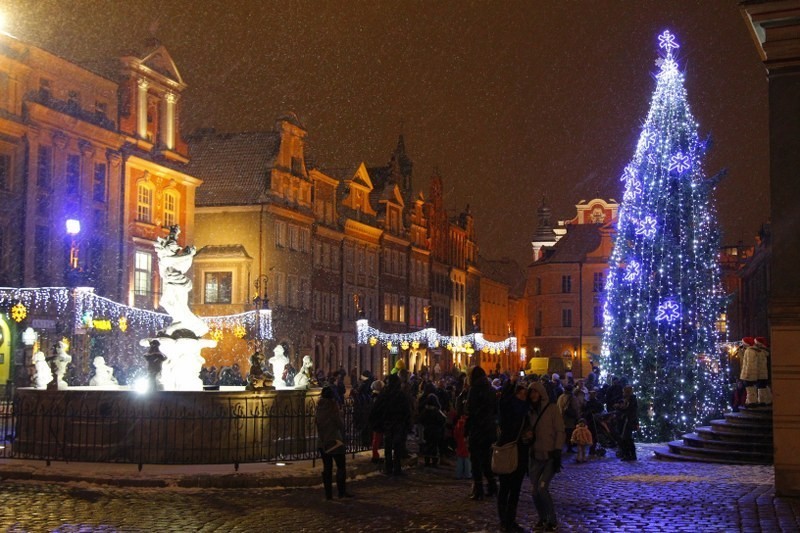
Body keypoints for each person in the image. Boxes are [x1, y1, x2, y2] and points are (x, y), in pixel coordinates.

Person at [528, 380, 565, 532]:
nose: (533, 395)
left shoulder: (552, 409)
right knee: (534, 491)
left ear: (541, 393)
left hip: (550, 455)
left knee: (542, 488)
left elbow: (560, 430)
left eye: (536, 391)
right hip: (535, 456)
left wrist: (557, 449)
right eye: (531, 392)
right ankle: (542, 518)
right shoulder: (530, 411)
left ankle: (552, 520)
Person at [496, 375, 531, 532]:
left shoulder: (526, 411)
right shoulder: (508, 409)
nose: (523, 397)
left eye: (525, 394)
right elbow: (504, 400)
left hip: (520, 452)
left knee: (515, 489)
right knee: (505, 487)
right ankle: (504, 519)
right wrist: (510, 383)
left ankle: (510, 519)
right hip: (507, 449)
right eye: (520, 394)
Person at [465, 366, 498, 500]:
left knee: (475, 461)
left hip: (477, 429)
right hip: (489, 429)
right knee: (486, 459)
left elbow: (470, 410)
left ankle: (478, 490)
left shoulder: (474, 390)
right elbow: (495, 409)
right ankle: (492, 486)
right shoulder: (490, 389)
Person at [315, 386, 352, 500]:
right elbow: (340, 424)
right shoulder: (332, 407)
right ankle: (341, 492)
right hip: (335, 441)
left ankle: (328, 494)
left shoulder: (318, 408)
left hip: (322, 442)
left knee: (327, 468)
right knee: (341, 466)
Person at [371, 373, 411, 476]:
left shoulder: (385, 394)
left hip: (388, 423)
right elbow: (407, 410)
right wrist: (407, 423)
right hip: (398, 423)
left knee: (388, 446)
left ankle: (389, 467)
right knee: (397, 446)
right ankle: (397, 468)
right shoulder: (401, 395)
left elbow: (377, 409)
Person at [419, 393, 447, 467]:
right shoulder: (436, 411)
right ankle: (434, 461)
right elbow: (443, 420)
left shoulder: (425, 410)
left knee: (428, 445)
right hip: (435, 431)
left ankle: (427, 461)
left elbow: (421, 419)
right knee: (434, 447)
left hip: (427, 430)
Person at [616, 385, 639, 461]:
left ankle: (630, 455)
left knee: (627, 439)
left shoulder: (631, 400)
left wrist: (621, 408)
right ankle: (628, 454)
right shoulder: (628, 399)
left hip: (628, 421)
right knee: (627, 439)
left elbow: (630, 410)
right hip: (627, 420)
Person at [453, 412, 471, 480]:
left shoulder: (459, 423)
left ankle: (458, 474)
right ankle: (467, 474)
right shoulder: (468, 423)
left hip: (460, 442)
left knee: (460, 460)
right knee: (467, 460)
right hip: (466, 443)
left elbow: (455, 434)